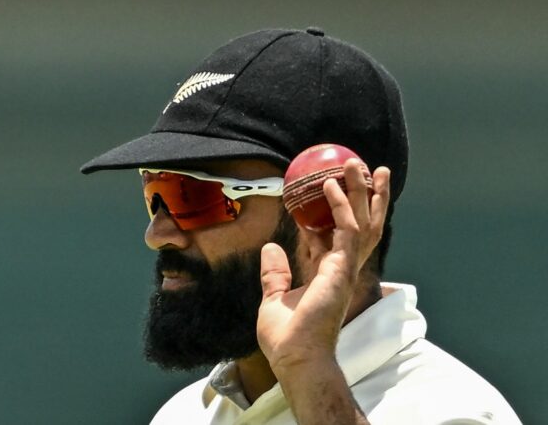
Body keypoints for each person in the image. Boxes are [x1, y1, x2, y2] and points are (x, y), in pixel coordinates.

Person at [81, 28, 521, 425]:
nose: (159, 234)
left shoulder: (454, 413)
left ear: (330, 211)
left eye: (193, 197)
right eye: (156, 193)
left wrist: (310, 369)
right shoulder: (183, 416)